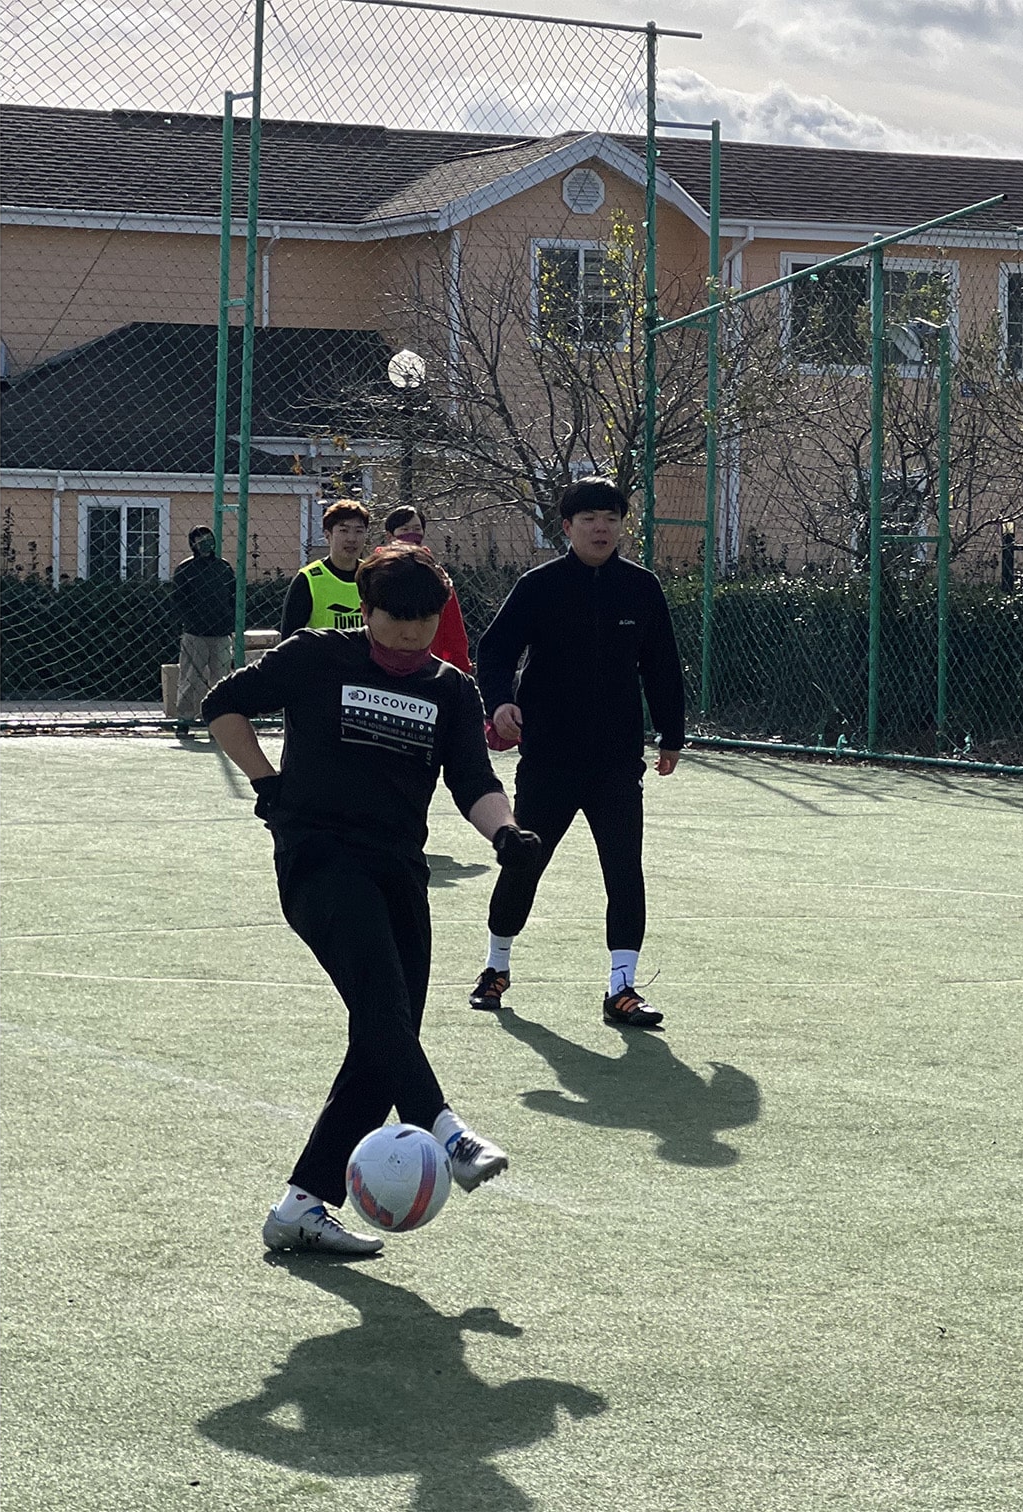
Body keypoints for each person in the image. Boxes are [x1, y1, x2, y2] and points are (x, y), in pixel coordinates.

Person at [203, 543, 545, 1255]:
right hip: (320, 859)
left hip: (398, 871)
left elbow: (474, 781)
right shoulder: (316, 656)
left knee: (384, 1036)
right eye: (397, 619)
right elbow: (222, 705)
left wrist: (506, 832)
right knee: (384, 1010)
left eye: (427, 619)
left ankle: (301, 1205)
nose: (412, 634)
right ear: (368, 609)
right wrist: (269, 786)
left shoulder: (451, 688)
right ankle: (446, 1131)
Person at [466, 476, 685, 1030]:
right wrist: (500, 704)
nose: (601, 527)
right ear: (567, 527)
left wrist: (671, 733)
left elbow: (661, 665)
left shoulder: (642, 587)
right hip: (550, 758)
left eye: (611, 517)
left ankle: (622, 988)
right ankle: (496, 967)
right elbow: (493, 652)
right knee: (525, 862)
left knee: (624, 871)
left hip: (615, 761)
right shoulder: (539, 586)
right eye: (588, 518)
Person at [384, 504, 472, 674]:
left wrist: (461, 669)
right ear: (389, 535)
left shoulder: (436, 575)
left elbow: (454, 630)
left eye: (417, 528)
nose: (411, 534)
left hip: (427, 665)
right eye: (405, 529)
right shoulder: (376, 574)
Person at [170, 524, 236, 737]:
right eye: (200, 539)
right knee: (191, 678)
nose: (205, 542)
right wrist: (189, 622)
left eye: (208, 537)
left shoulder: (223, 567)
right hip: (195, 634)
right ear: (193, 544)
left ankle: (217, 720)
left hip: (222, 633)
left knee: (222, 679)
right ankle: (185, 719)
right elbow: (178, 601)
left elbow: (233, 596)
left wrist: (229, 621)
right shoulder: (185, 569)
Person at [279, 499, 371, 637]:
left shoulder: (373, 576)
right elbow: (288, 640)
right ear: (327, 535)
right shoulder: (308, 580)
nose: (352, 538)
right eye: (344, 530)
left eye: (358, 531)